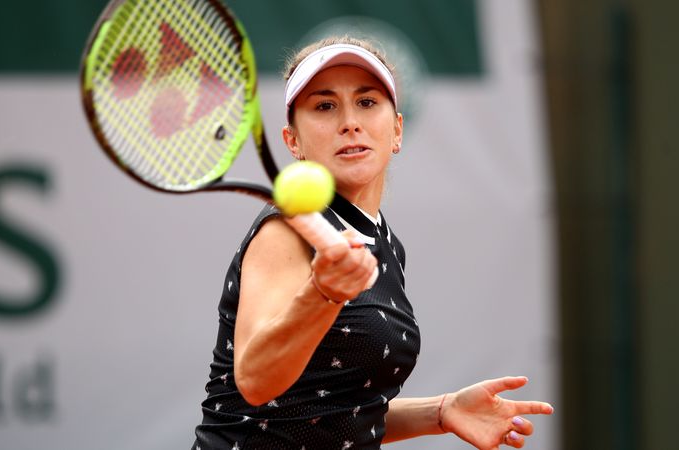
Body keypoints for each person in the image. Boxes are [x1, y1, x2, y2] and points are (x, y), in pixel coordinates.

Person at [193, 36, 553, 450]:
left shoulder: (386, 244)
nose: (350, 121)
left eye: (366, 102)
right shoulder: (284, 233)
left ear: (396, 130)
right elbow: (255, 382)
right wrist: (322, 293)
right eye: (324, 106)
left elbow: (334, 410)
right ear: (293, 141)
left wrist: (440, 411)